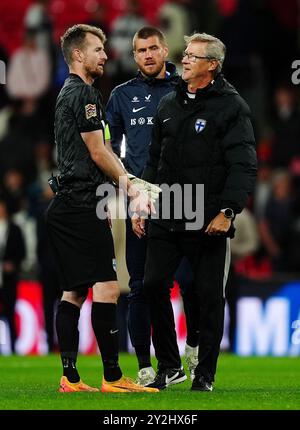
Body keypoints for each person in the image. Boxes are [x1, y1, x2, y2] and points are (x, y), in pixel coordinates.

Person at [136, 32, 257, 391]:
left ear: (212, 66)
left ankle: (204, 374)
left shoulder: (232, 107)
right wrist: (142, 199)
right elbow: (153, 159)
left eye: (193, 56)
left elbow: (243, 165)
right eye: (185, 54)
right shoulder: (168, 105)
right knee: (153, 284)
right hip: (168, 212)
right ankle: (170, 366)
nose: (184, 59)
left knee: (208, 296)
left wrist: (229, 211)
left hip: (207, 220)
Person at [45, 24, 158, 394]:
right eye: (98, 49)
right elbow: (98, 151)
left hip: (69, 203)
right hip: (79, 204)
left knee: (74, 292)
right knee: (108, 286)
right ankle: (112, 377)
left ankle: (70, 377)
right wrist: (127, 182)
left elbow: (97, 151)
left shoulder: (68, 92)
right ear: (79, 55)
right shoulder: (87, 94)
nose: (105, 55)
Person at [106, 26, 200, 386]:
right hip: (140, 199)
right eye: (140, 50)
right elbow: (110, 151)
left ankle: (191, 345)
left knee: (190, 282)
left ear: (165, 50)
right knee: (141, 286)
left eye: (153, 48)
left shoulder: (186, 89)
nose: (147, 55)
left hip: (183, 197)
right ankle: (147, 366)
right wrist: (131, 192)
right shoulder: (121, 96)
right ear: (134, 56)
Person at [0, 197, 25, 353]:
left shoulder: (14, 228)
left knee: (10, 314)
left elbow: (21, 251)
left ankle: (14, 347)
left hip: (9, 280)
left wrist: (13, 264)